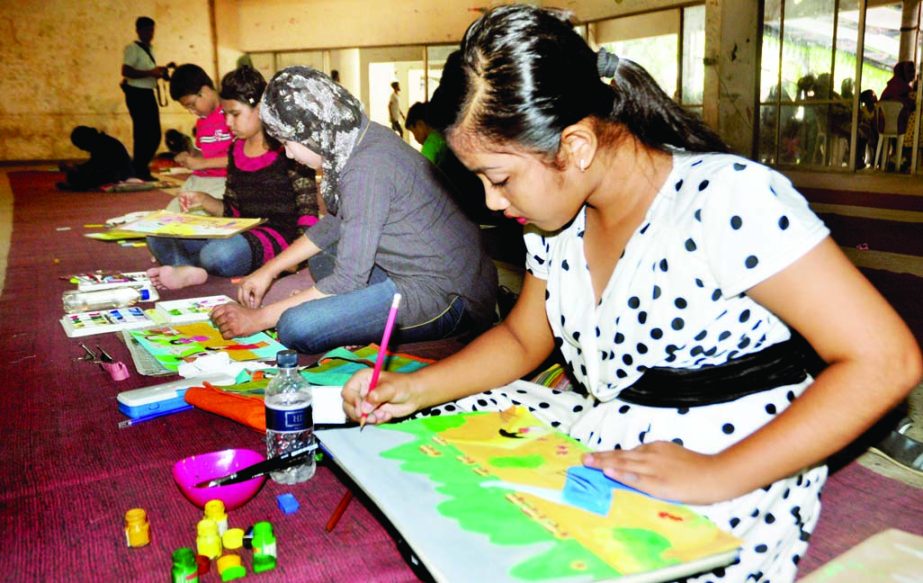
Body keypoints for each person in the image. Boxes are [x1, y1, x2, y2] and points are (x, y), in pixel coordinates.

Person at [342, 6, 922, 583]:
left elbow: (885, 361)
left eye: (500, 177)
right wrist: (415, 387)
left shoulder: (726, 201)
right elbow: (523, 337)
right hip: (612, 428)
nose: (493, 202)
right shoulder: (556, 222)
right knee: (438, 445)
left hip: (731, 449)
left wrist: (720, 473)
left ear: (575, 147)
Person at [210, 66, 498, 355]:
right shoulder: (357, 138)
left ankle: (341, 312)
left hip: (449, 296)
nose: (288, 153)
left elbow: (348, 279)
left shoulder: (364, 168)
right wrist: (269, 270)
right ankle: (344, 310)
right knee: (323, 261)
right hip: (423, 268)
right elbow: (336, 222)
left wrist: (258, 318)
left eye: (287, 142)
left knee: (296, 326)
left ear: (311, 130)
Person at [146, 67, 321, 290]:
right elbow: (231, 211)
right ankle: (189, 270)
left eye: (235, 114)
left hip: (277, 234)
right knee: (157, 237)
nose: (228, 123)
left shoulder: (287, 148)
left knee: (219, 254)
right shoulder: (236, 149)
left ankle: (188, 264)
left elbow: (308, 211)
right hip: (239, 230)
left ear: (259, 109)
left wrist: (296, 257)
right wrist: (204, 199)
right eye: (225, 115)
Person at [168, 64, 233, 210]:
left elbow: (242, 158)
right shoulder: (202, 122)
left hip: (226, 181)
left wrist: (203, 163)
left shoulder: (232, 114)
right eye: (187, 108)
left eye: (192, 105)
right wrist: (189, 157)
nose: (192, 111)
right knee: (171, 213)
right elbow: (200, 154)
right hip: (199, 180)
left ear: (204, 91)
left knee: (202, 215)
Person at [121, 16, 164, 181]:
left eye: (152, 30)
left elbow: (142, 71)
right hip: (137, 93)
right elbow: (126, 71)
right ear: (138, 31)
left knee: (152, 134)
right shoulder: (133, 48)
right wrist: (151, 73)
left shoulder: (149, 49)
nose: (150, 33)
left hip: (147, 92)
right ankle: (139, 169)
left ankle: (140, 167)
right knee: (144, 134)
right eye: (146, 30)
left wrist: (158, 72)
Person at [57, 126, 134, 191]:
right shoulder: (100, 141)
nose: (82, 149)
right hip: (113, 171)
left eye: (80, 146)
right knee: (74, 175)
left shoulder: (103, 144)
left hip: (118, 174)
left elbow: (99, 166)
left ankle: (78, 186)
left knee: (80, 176)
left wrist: (76, 168)